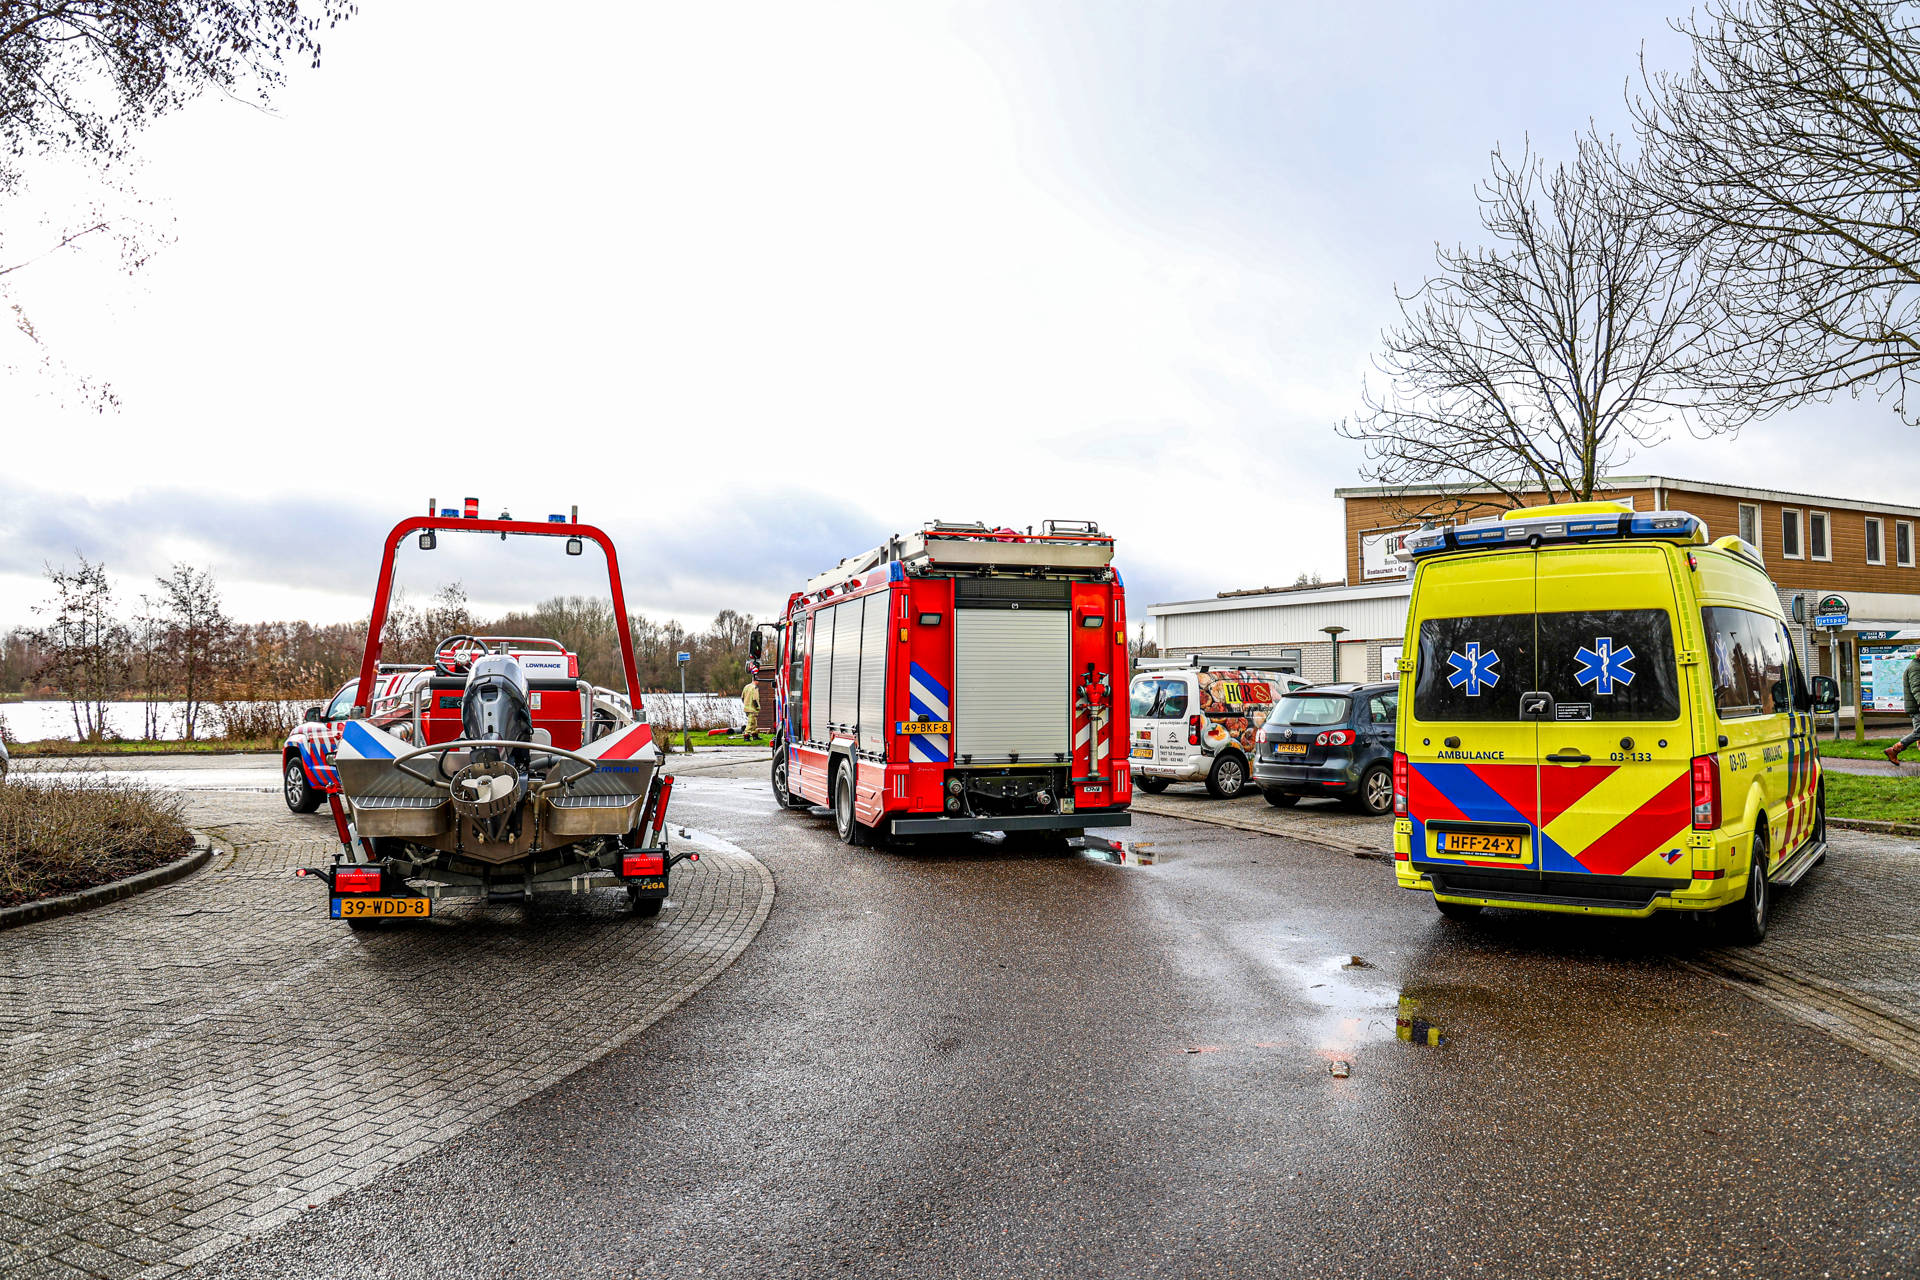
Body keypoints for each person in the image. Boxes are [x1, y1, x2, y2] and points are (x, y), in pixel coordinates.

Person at [1885, 656, 1920, 765]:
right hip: (1917, 707)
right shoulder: (1915, 668)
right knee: (1919, 732)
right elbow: (1917, 688)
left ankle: (1894, 750)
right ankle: (1894, 750)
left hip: (1916, 706)